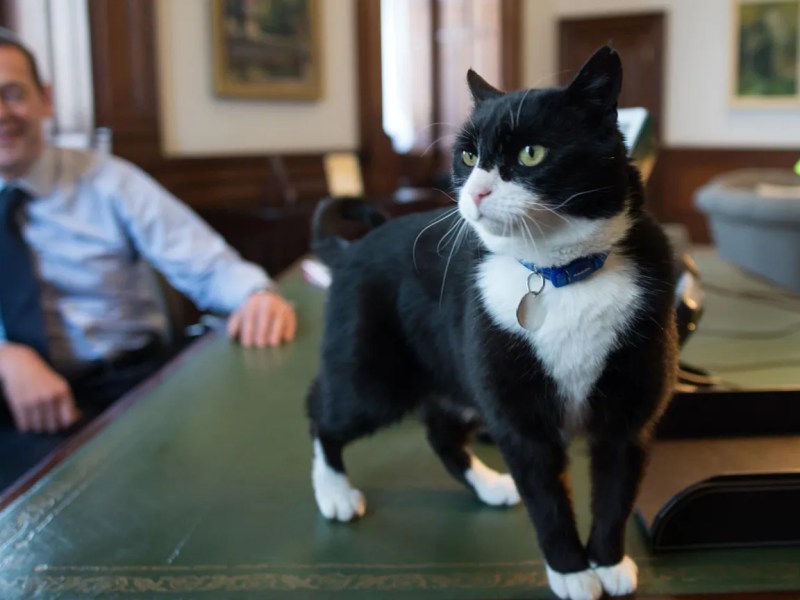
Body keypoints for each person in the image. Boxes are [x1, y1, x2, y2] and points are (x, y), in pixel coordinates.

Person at [0, 32, 296, 449]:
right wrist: (6, 357)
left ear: (45, 99)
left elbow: (208, 266)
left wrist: (255, 295)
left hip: (124, 390)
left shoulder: (110, 181)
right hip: (13, 406)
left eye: (12, 93)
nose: (2, 113)